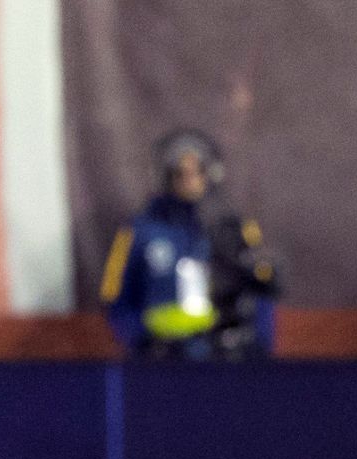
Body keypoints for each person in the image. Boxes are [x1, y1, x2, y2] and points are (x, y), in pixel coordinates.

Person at [100, 129, 279, 360]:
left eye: (198, 171)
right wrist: (140, 337)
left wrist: (258, 347)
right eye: (180, 173)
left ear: (211, 174)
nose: (190, 180)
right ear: (165, 176)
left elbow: (261, 291)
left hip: (225, 357)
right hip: (159, 358)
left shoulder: (237, 229)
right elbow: (115, 296)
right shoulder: (138, 231)